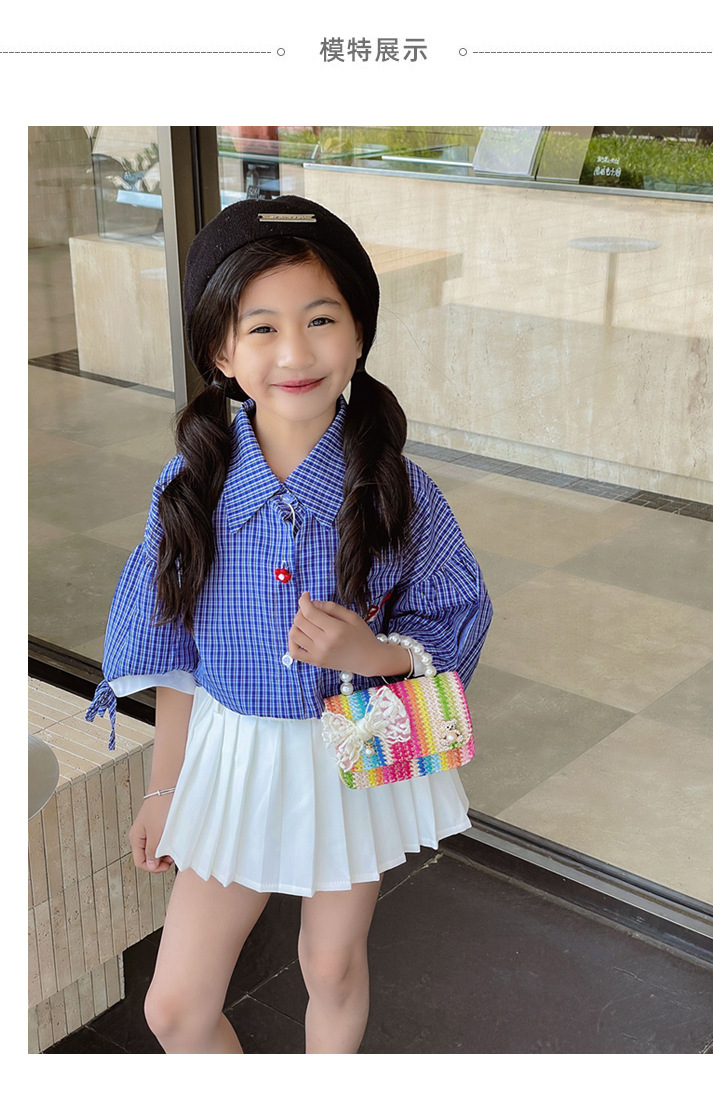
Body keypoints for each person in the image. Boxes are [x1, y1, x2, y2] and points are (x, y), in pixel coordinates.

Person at [87, 195, 493, 1055]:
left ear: (358, 333)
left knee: (331, 964)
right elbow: (174, 650)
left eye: (321, 319)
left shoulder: (397, 489)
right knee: (175, 1008)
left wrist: (371, 652)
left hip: (355, 747)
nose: (296, 353)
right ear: (220, 351)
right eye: (261, 327)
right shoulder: (190, 486)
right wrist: (164, 788)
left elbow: (454, 611)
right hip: (232, 753)